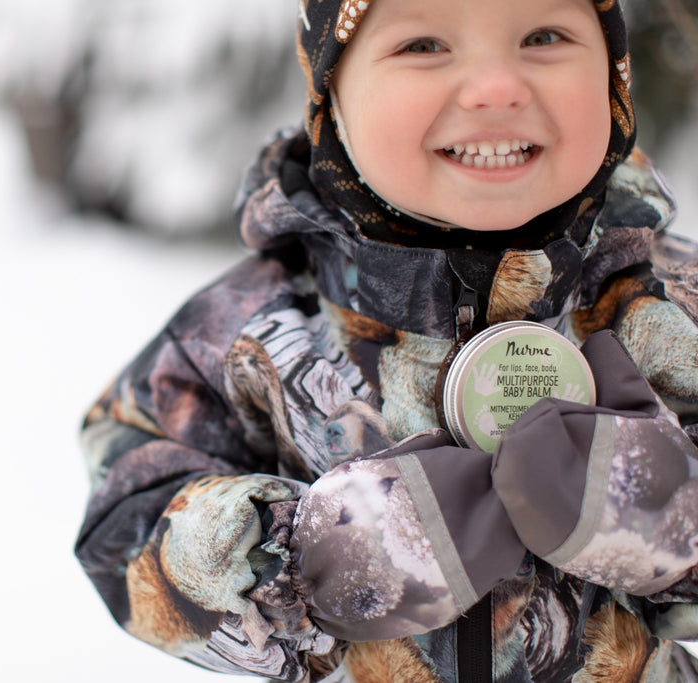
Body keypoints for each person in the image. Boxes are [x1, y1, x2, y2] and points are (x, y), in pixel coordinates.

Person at [74, 0, 698, 680]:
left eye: (543, 36)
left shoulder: (668, 305)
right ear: (333, 93)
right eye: (425, 44)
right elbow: (123, 524)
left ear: (612, 76)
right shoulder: (256, 320)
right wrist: (302, 567)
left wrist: (668, 521)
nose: (497, 86)